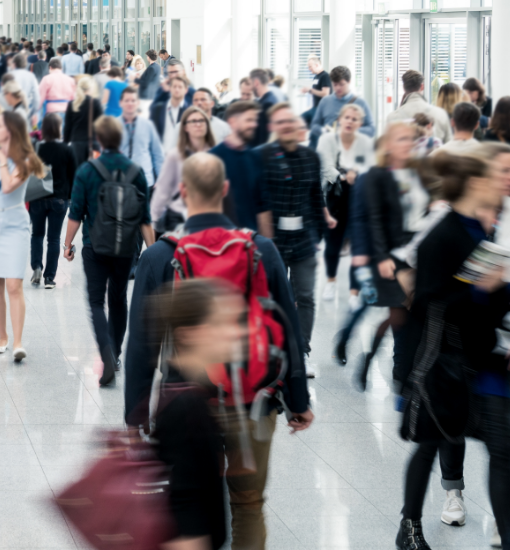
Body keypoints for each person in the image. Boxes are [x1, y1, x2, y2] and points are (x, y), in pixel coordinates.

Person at [124, 151, 313, 550]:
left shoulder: (160, 255)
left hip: (187, 406)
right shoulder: (260, 249)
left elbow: (141, 343)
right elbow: (289, 329)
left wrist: (135, 412)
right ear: (225, 191)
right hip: (255, 399)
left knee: (190, 507)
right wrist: (299, 399)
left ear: (182, 191)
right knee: (248, 505)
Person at [396, 152, 510, 550]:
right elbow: (428, 300)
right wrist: (482, 288)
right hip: (442, 358)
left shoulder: (477, 231)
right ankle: (409, 526)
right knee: (431, 443)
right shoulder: (444, 233)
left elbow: (487, 300)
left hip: (478, 356)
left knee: (499, 446)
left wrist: (497, 291)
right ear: (473, 185)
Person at [64, 115, 154, 387]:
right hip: (126, 248)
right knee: (118, 298)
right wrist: (151, 251)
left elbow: (75, 213)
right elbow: (145, 218)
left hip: (95, 246)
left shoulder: (88, 171)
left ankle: (105, 350)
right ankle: (115, 354)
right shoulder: (137, 172)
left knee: (95, 301)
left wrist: (67, 245)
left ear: (99, 141)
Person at [153, 279, 241, 550]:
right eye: (219, 324)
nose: (233, 333)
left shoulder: (188, 385)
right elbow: (186, 500)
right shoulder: (188, 405)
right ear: (188, 333)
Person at [258, 102, 336, 375]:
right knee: (271, 296)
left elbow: (317, 198)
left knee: (305, 296)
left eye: (290, 121)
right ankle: (271, 350)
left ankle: (302, 352)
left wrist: (320, 238)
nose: (287, 126)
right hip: (272, 244)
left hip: (304, 242)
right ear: (273, 127)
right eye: (281, 123)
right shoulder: (262, 157)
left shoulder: (310, 157)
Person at [363, 122, 430, 389]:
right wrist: (381, 256)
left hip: (417, 249)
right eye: (401, 139)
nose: (407, 144)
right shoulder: (377, 176)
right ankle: (396, 371)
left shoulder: (418, 172)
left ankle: (401, 369)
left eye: (410, 140)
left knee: (409, 315)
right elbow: (375, 220)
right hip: (392, 253)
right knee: (400, 315)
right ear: (389, 144)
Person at [317, 103, 376, 301]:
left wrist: (356, 174)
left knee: (359, 245)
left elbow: (369, 166)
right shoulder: (327, 140)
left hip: (359, 195)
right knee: (333, 242)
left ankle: (354, 291)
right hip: (335, 194)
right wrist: (344, 176)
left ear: (360, 123)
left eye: (354, 119)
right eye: (347, 117)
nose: (350, 121)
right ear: (339, 119)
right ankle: (331, 281)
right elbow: (325, 167)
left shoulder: (365, 142)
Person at [0, 111, 45, 362]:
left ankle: (17, 342)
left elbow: (7, 186)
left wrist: (2, 159)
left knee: (14, 285)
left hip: (15, 225)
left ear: (11, 130)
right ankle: (2, 337)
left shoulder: (26, 160)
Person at [210, 100, 272, 236]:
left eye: (255, 120)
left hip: (250, 242)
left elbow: (263, 206)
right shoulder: (213, 158)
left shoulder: (256, 158)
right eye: (249, 120)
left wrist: (268, 244)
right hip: (221, 241)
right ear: (232, 122)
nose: (254, 124)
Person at [29, 114, 76, 290]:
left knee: (37, 235)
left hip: (38, 198)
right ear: (58, 128)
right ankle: (49, 278)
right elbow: (74, 176)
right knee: (54, 238)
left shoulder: (37, 148)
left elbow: (29, 172)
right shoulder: (66, 149)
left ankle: (37, 267)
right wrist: (70, 198)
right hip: (59, 199)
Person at [150, 105, 215, 233]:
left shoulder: (215, 153)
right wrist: (154, 219)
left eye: (202, 120)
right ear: (185, 127)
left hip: (208, 215)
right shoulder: (175, 155)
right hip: (179, 215)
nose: (198, 124)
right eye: (193, 121)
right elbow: (163, 189)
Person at [311, 65, 375, 150]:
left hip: (353, 150)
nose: (338, 88)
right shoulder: (325, 101)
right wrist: (325, 131)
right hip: (330, 148)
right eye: (335, 84)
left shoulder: (360, 103)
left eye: (341, 84)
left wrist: (350, 131)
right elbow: (314, 125)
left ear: (349, 82)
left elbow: (371, 129)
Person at [387, 70, 452, 144]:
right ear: (422, 86)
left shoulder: (392, 117)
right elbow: (449, 147)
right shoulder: (441, 114)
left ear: (404, 88)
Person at [119, 87, 164, 193]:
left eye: (133, 100)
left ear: (138, 103)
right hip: (120, 180)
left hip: (145, 180)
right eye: (127, 100)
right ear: (121, 103)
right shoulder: (113, 125)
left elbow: (157, 154)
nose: (130, 103)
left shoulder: (148, 125)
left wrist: (160, 178)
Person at [63, 76, 103, 167]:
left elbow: (67, 127)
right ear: (91, 88)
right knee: (93, 173)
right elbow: (102, 126)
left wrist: (65, 144)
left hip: (76, 144)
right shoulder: (95, 103)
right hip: (92, 144)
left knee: (77, 174)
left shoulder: (72, 104)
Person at [151, 75, 189, 150]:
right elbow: (151, 133)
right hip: (160, 154)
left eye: (180, 87)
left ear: (186, 90)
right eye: (174, 86)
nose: (177, 89)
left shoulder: (189, 112)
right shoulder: (157, 109)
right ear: (170, 88)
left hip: (180, 155)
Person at [38, 57, 76, 125]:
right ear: (61, 68)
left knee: (52, 134)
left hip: (51, 112)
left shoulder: (46, 79)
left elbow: (40, 98)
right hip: (67, 111)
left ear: (50, 67)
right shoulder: (70, 80)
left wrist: (37, 112)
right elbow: (74, 98)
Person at [249, 68, 278, 146]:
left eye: (251, 84)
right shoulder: (270, 98)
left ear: (256, 83)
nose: (250, 88)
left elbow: (263, 138)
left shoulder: (267, 104)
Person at [11, 53, 40, 128]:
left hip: (11, 110)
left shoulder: (9, 75)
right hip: (27, 109)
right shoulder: (31, 76)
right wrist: (34, 112)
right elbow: (36, 97)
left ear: (14, 64)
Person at [301, 56, 331, 128]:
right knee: (300, 121)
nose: (309, 69)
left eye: (310, 66)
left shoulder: (325, 76)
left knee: (302, 121)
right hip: (315, 107)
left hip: (322, 109)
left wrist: (310, 90)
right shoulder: (316, 77)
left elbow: (325, 93)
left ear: (317, 65)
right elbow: (316, 92)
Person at [135, 49, 161, 118]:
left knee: (143, 115)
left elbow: (146, 83)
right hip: (152, 94)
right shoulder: (158, 66)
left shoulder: (151, 68)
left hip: (145, 95)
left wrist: (135, 80)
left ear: (148, 57)